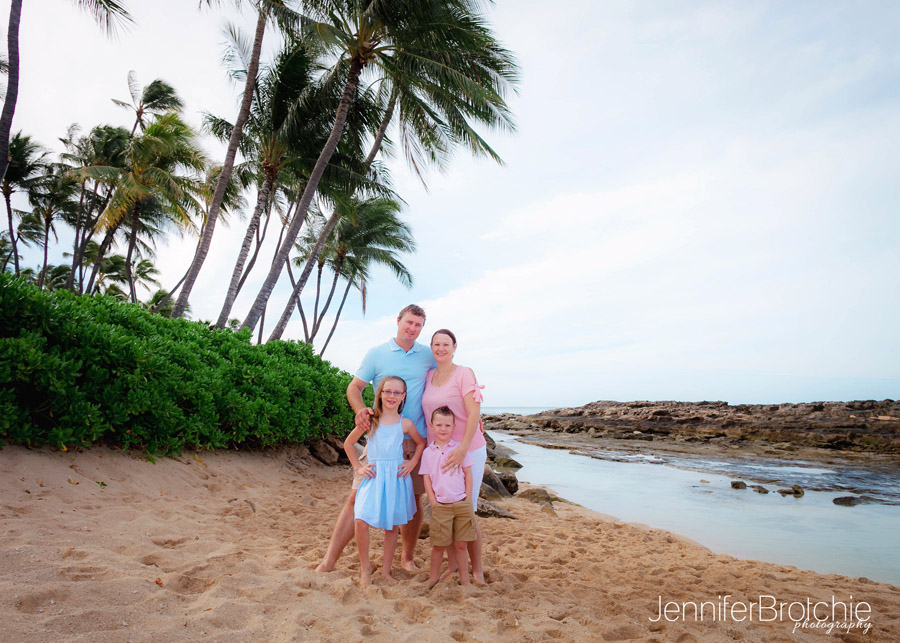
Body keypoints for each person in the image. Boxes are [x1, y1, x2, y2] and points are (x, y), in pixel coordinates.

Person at [316, 304, 436, 573]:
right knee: (355, 499)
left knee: (413, 501)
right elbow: (354, 387)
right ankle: (329, 560)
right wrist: (360, 411)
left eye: (418, 325)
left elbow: (447, 379)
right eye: (409, 322)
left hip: (414, 438)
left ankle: (406, 558)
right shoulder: (377, 354)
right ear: (398, 320)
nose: (412, 328)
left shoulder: (428, 356)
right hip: (379, 439)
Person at [344, 376, 425, 587]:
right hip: (374, 475)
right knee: (360, 520)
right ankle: (365, 569)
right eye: (388, 391)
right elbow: (348, 444)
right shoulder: (371, 421)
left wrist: (412, 463)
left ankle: (386, 571)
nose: (392, 396)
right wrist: (358, 467)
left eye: (397, 393)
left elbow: (421, 443)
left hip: (397, 478)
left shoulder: (405, 423)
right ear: (380, 393)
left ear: (403, 397)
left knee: (392, 526)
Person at [421, 328, 487, 584]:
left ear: (454, 347)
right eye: (436, 344)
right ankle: (455, 567)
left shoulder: (464, 373)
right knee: (445, 510)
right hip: (438, 453)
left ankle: (477, 569)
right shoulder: (428, 376)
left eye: (445, 344)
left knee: (467, 511)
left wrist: (462, 449)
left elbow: (474, 414)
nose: (441, 348)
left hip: (467, 450)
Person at [419, 406, 477, 589]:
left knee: (461, 545)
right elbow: (426, 478)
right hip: (441, 506)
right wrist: (433, 501)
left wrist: (468, 499)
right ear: (432, 426)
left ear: (453, 427)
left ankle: (465, 579)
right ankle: (433, 577)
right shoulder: (428, 453)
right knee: (438, 545)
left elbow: (468, 473)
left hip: (461, 503)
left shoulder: (459, 450)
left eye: (447, 425)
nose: (443, 429)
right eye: (439, 425)